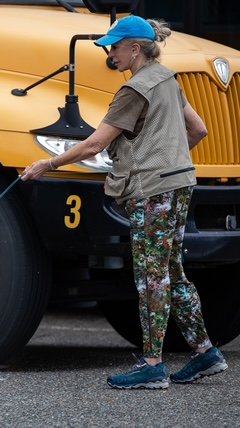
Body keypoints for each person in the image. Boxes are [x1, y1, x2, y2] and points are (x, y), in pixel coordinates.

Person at [20, 15, 228, 390]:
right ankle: (205, 352)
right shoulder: (168, 79)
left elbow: (95, 144)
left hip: (153, 192)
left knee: (151, 278)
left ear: (135, 49)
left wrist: (46, 164)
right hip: (181, 184)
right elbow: (199, 130)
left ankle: (152, 365)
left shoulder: (134, 91)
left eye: (114, 47)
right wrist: (167, 162)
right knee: (172, 271)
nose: (110, 53)